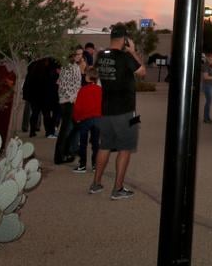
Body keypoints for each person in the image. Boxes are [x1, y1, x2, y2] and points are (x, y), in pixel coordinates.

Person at [90, 26, 145, 200]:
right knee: (125, 148)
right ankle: (118, 188)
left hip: (106, 110)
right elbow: (142, 72)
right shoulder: (126, 57)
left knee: (104, 146)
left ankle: (96, 184)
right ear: (125, 39)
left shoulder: (102, 55)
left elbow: (93, 71)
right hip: (126, 111)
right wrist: (133, 51)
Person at [69, 66, 101, 173]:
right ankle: (95, 165)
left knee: (83, 143)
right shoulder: (100, 90)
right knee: (96, 143)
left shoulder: (82, 90)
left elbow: (78, 106)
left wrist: (76, 118)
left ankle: (82, 165)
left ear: (88, 78)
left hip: (85, 119)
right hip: (97, 119)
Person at [53, 49, 83, 164]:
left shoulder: (75, 66)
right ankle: (59, 156)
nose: (79, 56)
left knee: (74, 128)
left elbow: (76, 84)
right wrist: (72, 98)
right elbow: (62, 84)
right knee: (66, 130)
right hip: (67, 102)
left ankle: (67, 152)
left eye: (80, 54)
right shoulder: (67, 66)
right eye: (77, 53)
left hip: (73, 101)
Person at [201, 54, 212, 124]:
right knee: (208, 102)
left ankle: (207, 117)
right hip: (207, 86)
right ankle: (206, 118)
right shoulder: (205, 66)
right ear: (208, 59)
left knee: (209, 102)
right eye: (211, 59)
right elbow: (205, 77)